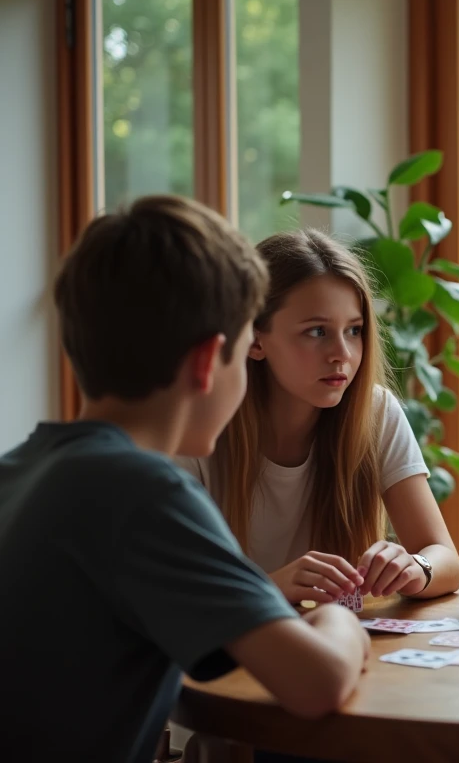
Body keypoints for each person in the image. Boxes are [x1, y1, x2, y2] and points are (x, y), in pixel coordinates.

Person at [0, 197, 370, 761]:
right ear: (207, 363)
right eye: (246, 351)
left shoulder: (20, 470)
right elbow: (317, 682)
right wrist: (337, 617)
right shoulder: (141, 491)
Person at [179, 229, 459, 604]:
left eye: (354, 330)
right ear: (256, 339)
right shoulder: (198, 431)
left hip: (332, 643)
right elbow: (173, 596)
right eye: (317, 331)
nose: (342, 353)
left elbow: (444, 560)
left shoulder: (375, 412)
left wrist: (415, 567)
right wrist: (273, 587)